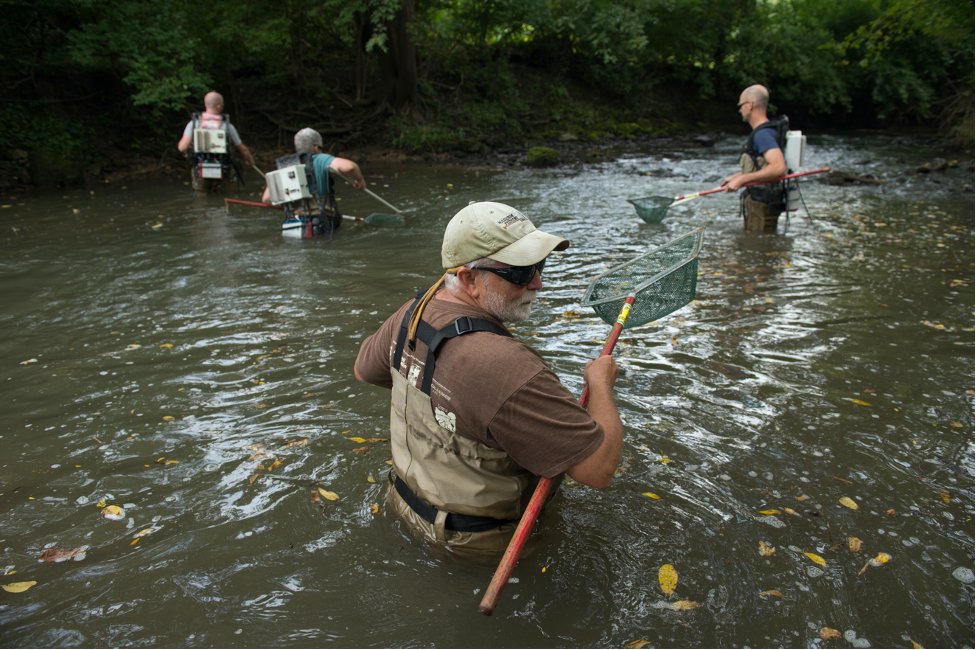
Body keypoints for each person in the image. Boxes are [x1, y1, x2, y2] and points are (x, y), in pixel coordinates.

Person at [353, 201, 623, 557]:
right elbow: (599, 469)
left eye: (539, 265)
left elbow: (364, 370)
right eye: (520, 272)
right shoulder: (508, 368)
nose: (538, 283)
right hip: (480, 548)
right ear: (468, 279)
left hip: (404, 508)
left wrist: (448, 397)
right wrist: (600, 384)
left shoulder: (412, 314)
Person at [261, 127, 366, 234]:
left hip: (292, 225)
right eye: (321, 148)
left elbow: (266, 199)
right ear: (315, 147)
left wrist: (292, 207)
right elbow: (349, 167)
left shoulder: (285, 164)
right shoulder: (320, 159)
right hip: (320, 223)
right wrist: (360, 181)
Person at [721, 84, 788, 232]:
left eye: (741, 105)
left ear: (749, 105)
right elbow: (763, 166)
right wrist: (738, 176)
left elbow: (778, 167)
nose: (739, 110)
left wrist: (743, 179)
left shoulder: (762, 135)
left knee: (758, 244)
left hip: (762, 203)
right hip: (765, 201)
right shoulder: (767, 131)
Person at [177, 91, 255, 191]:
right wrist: (250, 160)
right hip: (224, 168)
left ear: (206, 104)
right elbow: (242, 149)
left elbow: (182, 147)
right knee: (227, 192)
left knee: (201, 194)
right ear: (219, 106)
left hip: (201, 168)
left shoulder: (194, 124)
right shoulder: (227, 126)